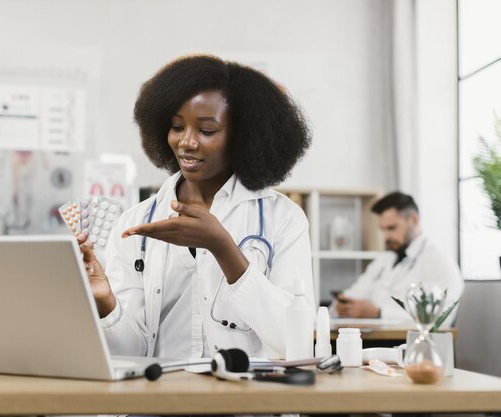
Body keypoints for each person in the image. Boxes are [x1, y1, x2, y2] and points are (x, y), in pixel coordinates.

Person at [78, 54, 314, 360]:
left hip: (247, 403)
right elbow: (132, 353)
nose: (187, 142)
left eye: (206, 131)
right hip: (164, 402)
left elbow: (294, 342)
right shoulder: (134, 223)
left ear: (241, 138)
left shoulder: (282, 218)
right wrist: (106, 301)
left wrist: (223, 248)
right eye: (177, 127)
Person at [332, 192, 464, 322]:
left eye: (392, 228)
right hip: (374, 337)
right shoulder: (385, 259)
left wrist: (379, 313)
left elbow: (440, 318)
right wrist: (342, 306)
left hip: (408, 341)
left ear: (413, 219)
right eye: (382, 229)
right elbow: (358, 291)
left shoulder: (440, 262)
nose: (386, 237)